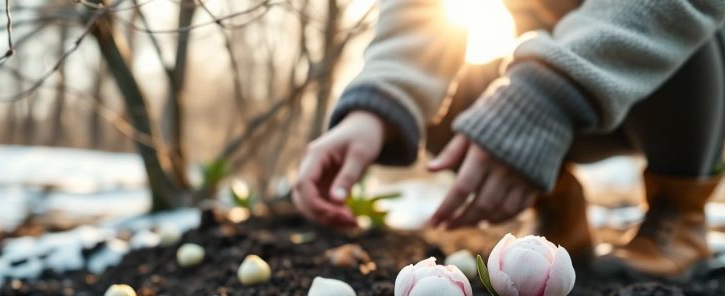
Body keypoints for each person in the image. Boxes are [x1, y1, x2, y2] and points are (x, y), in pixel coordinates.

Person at [292, 0, 725, 281]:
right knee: (462, 100)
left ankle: (680, 217)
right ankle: (559, 211)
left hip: (690, 92)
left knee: (694, 43)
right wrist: (379, 102)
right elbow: (424, 12)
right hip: (573, 97)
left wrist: (548, 90)